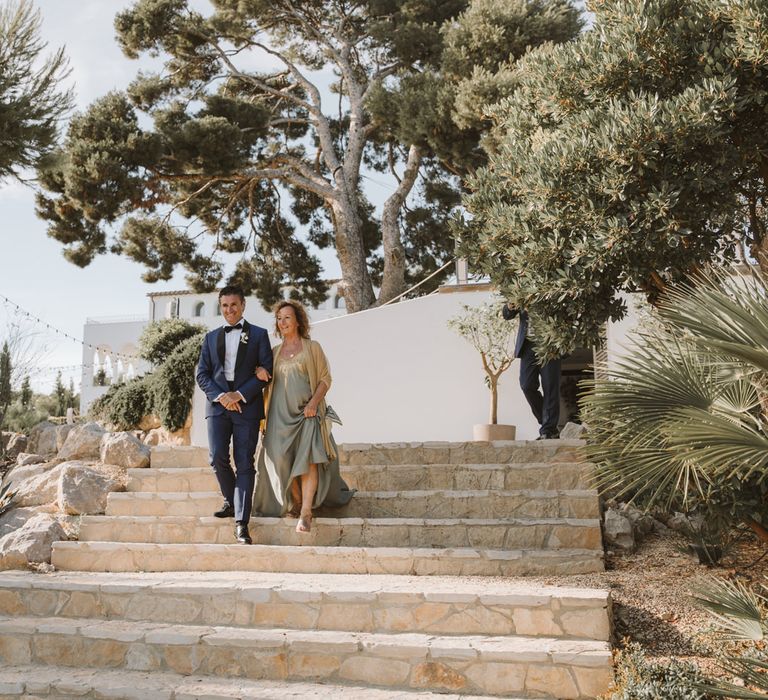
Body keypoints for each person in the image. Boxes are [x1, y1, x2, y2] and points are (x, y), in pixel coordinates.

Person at [253, 300, 354, 533]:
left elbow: (324, 379)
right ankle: (297, 502)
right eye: (279, 318)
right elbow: (266, 378)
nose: (283, 322)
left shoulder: (312, 347)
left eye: (287, 317)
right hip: (278, 417)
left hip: (307, 413)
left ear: (298, 321)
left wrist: (313, 403)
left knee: (308, 460)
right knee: (279, 459)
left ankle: (305, 512)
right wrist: (260, 371)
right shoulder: (274, 353)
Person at [196, 285, 273, 545]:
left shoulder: (260, 335)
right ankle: (231, 500)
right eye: (225, 305)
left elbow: (266, 372)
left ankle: (241, 523)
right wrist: (222, 397)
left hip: (247, 407)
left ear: (243, 305)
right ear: (221, 307)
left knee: (245, 464)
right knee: (217, 457)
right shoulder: (209, 338)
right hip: (217, 407)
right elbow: (202, 375)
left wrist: (238, 395)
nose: (230, 310)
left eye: (234, 305)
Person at [502, 302, 561, 440]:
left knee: (550, 386)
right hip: (528, 345)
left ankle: (547, 430)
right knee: (526, 385)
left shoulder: (552, 285)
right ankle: (548, 423)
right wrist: (510, 305)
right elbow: (507, 315)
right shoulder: (522, 286)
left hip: (549, 344)